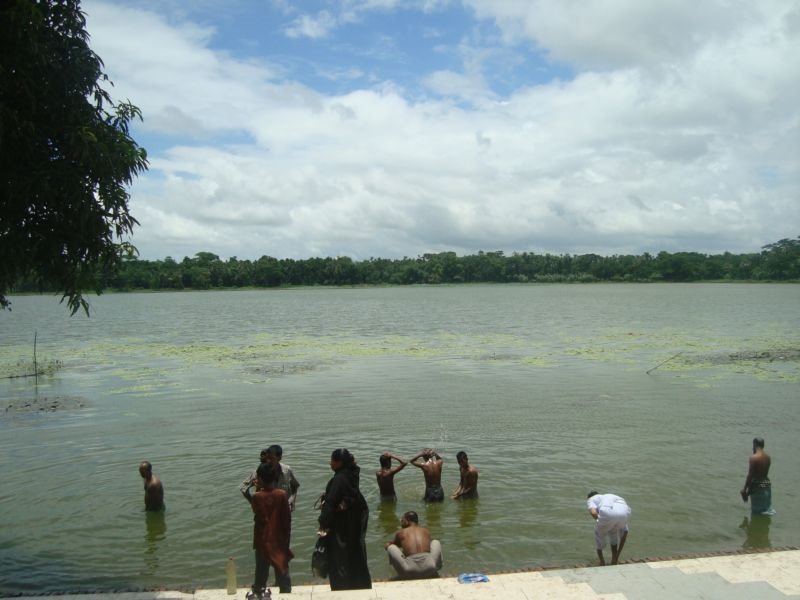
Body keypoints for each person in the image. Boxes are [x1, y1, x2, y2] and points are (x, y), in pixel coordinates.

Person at [318, 448, 372, 590]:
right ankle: (360, 584)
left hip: (341, 526)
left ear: (339, 462)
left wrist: (323, 523)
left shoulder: (340, 479)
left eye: (332, 460)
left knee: (338, 558)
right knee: (356, 553)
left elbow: (330, 502)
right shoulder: (352, 475)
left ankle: (342, 588)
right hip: (353, 523)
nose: (330, 463)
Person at [244, 462, 293, 597]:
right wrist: (286, 538)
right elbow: (287, 518)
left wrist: (257, 488)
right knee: (282, 569)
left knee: (261, 570)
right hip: (279, 538)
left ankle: (259, 592)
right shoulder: (282, 494)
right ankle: (286, 594)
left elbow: (256, 512)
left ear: (260, 478)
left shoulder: (257, 497)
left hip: (263, 539)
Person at [384, 511, 443, 580]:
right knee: (435, 542)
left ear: (407, 520)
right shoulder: (425, 531)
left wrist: (387, 545)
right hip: (430, 568)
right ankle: (436, 570)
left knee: (391, 547)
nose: (401, 522)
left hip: (409, 571)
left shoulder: (401, 532)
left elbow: (394, 545)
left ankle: (397, 574)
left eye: (402, 520)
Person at [586, 491, 631, 566]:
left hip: (608, 514)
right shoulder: (609, 496)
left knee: (598, 535)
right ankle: (615, 559)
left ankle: (602, 562)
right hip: (626, 512)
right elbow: (625, 532)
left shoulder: (591, 499)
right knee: (614, 534)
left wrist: (599, 521)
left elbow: (593, 513)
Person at [740, 437, 774, 515]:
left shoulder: (754, 458)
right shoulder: (768, 457)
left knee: (757, 514)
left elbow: (750, 476)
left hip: (757, 488)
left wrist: (744, 490)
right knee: (766, 511)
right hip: (767, 486)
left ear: (755, 445)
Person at [265, 445, 300, 512]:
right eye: (268, 458)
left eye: (272, 458)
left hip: (285, 509)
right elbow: (245, 488)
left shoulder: (287, 470)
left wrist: (293, 500)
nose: (268, 461)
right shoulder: (263, 471)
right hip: (268, 510)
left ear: (279, 458)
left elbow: (295, 486)